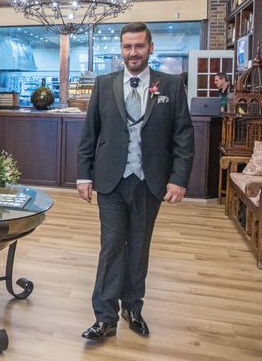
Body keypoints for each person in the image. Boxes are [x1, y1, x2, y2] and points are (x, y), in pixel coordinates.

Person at [77, 22, 194, 340]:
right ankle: (105, 316)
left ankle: (133, 307)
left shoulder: (170, 85)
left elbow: (183, 135)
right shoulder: (104, 84)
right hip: (111, 180)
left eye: (139, 46)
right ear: (121, 49)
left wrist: (178, 179)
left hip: (150, 181)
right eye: (127, 46)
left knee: (139, 247)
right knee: (112, 246)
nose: (133, 52)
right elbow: (90, 133)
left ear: (150, 48)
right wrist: (83, 175)